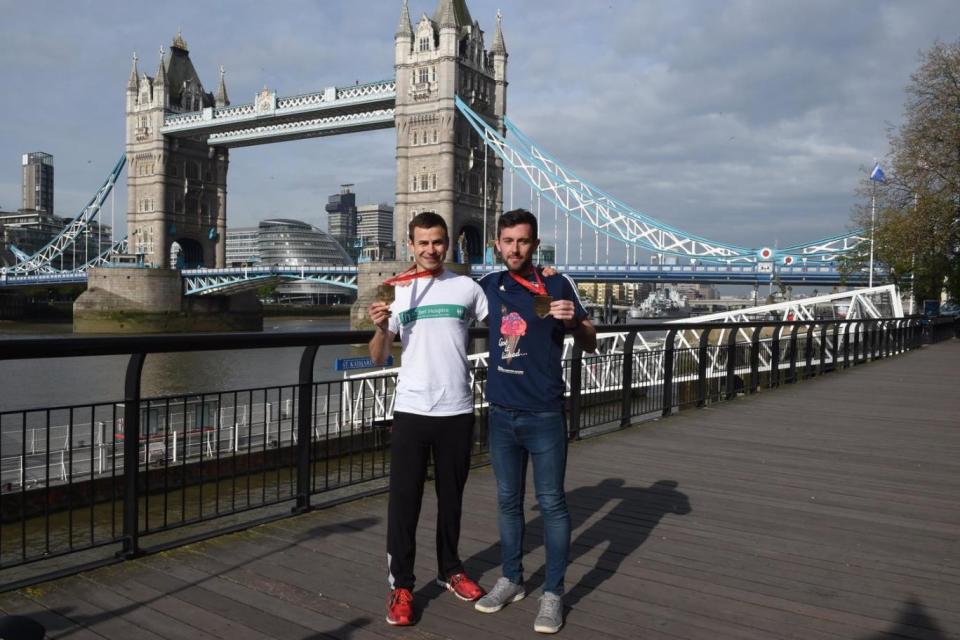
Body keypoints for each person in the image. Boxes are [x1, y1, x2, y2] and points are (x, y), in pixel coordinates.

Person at [474, 209, 597, 634]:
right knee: (508, 502)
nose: (515, 249)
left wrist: (573, 321)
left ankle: (553, 595)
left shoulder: (558, 283)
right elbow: (444, 294)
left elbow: (590, 341)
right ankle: (511, 579)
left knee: (552, 504)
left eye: (522, 241)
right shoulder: (488, 286)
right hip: (500, 412)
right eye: (507, 241)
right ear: (496, 244)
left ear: (535, 243)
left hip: (544, 413)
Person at [367, 212, 488, 626]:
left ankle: (451, 570)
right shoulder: (400, 291)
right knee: (405, 503)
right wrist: (382, 328)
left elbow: (509, 321)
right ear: (411, 246)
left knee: (451, 500)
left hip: (457, 409)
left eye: (437, 242)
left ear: (448, 243)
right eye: (423, 243)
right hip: (412, 410)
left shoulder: (469, 287)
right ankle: (401, 585)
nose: (430, 250)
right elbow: (379, 357)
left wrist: (539, 279)